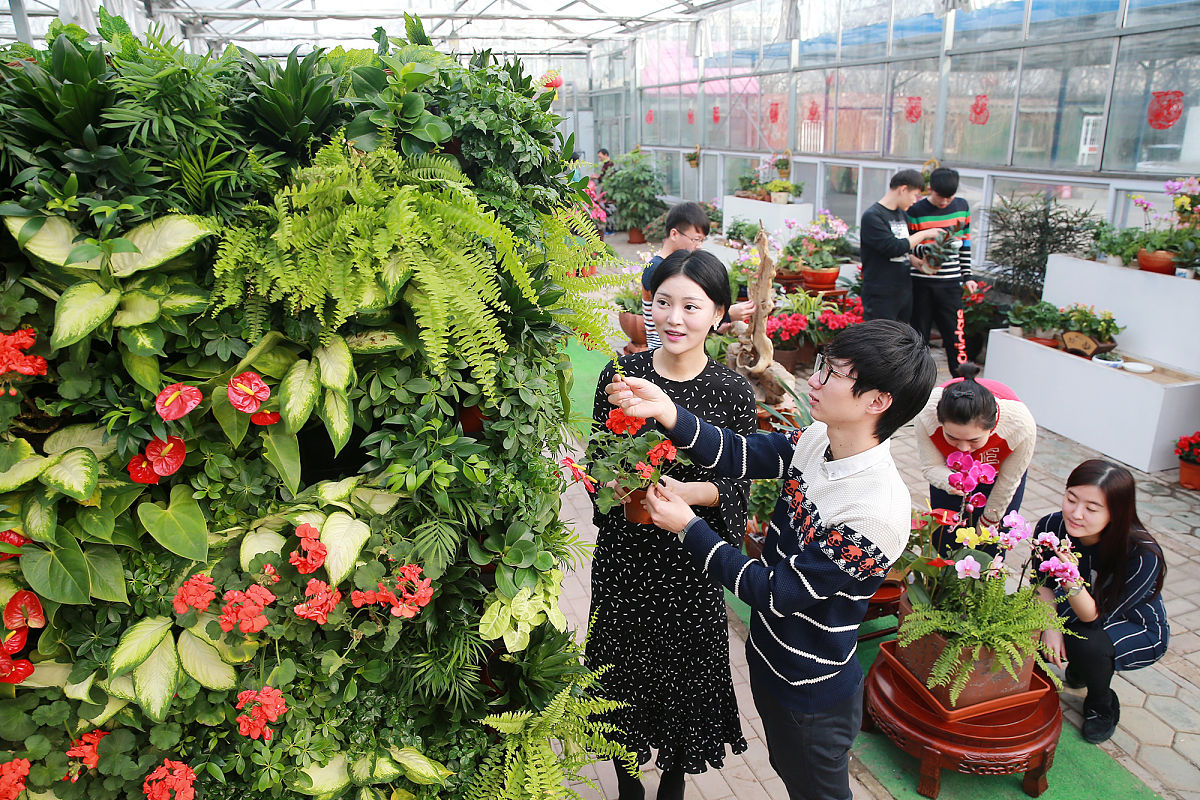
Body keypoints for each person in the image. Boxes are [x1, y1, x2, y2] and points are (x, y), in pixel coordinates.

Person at [606, 319, 937, 800]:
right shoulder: (819, 442)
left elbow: (773, 592)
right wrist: (669, 413)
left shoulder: (875, 512)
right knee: (787, 770)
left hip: (811, 691)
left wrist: (689, 528)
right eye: (823, 365)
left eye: (835, 373)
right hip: (773, 666)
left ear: (877, 401)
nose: (814, 380)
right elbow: (740, 453)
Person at [586, 249, 758, 800]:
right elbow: (597, 463)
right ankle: (628, 784)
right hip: (627, 557)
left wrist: (689, 493)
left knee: (685, 677)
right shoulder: (623, 374)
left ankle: (675, 784)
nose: (674, 318)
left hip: (691, 561)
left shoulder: (732, 393)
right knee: (622, 678)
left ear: (719, 314)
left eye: (691, 305)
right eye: (663, 303)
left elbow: (739, 484)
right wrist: (620, 485)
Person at [1036, 459, 1169, 744]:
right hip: (1078, 606)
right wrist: (1050, 626)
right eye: (1071, 499)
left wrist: (1071, 579)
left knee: (1087, 642)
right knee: (1028, 618)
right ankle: (1078, 670)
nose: (1076, 513)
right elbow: (1043, 585)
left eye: (1092, 508)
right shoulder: (1051, 526)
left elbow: (1094, 619)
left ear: (1117, 513)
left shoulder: (1141, 555)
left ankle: (1101, 702)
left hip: (1135, 623)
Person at [914, 363, 1036, 555]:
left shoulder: (1020, 427)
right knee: (943, 541)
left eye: (973, 440)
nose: (963, 449)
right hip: (951, 473)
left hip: (998, 474)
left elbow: (1008, 481)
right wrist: (952, 483)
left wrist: (987, 523)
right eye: (952, 437)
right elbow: (931, 466)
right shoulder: (926, 414)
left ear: (992, 426)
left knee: (990, 546)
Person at [640, 202, 755, 349]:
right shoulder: (657, 269)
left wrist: (716, 323)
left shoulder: (679, 267)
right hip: (664, 352)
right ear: (674, 234)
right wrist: (727, 314)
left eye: (702, 240)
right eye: (696, 239)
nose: (699, 245)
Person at [907, 167, 977, 377]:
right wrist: (929, 250)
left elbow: (965, 245)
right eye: (940, 197)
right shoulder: (916, 210)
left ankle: (961, 382)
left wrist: (968, 276)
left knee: (955, 335)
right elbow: (908, 245)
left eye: (950, 198)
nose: (945, 202)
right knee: (920, 336)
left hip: (950, 284)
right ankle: (919, 380)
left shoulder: (962, 207)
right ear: (930, 189)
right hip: (921, 282)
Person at [859, 169, 940, 323]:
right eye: (915, 195)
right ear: (903, 189)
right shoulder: (873, 216)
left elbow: (902, 249)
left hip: (903, 291)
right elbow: (892, 247)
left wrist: (915, 261)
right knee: (881, 340)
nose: (916, 201)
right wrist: (924, 234)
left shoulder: (902, 214)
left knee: (900, 341)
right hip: (881, 294)